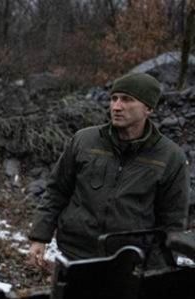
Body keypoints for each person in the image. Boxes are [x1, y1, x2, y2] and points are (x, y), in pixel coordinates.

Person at [27, 72, 188, 268]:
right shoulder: (84, 140)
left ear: (149, 108)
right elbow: (56, 191)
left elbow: (172, 221)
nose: (116, 106)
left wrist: (163, 269)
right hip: (75, 254)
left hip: (131, 261)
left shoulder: (170, 156)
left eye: (127, 100)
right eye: (114, 98)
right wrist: (39, 238)